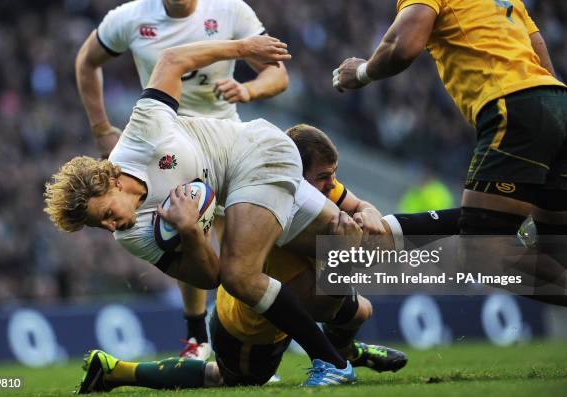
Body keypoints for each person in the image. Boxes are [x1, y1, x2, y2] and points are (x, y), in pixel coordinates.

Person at [46, 36, 383, 386]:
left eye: (106, 214)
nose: (111, 226)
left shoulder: (140, 135)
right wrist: (192, 233)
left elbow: (171, 60)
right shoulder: (131, 233)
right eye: (99, 226)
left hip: (258, 150)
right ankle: (344, 348)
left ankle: (334, 361)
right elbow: (208, 277)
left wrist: (243, 49)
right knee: (339, 247)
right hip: (240, 194)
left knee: (249, 273)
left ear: (112, 181)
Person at [77, 125, 407, 394]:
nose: (330, 187)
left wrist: (367, 210)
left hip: (286, 303)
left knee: (358, 309)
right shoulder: (265, 202)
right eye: (323, 179)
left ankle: (345, 353)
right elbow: (317, 299)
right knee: (230, 376)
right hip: (247, 325)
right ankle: (335, 360)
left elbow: (349, 204)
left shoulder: (296, 191)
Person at [75, 0, 289, 359]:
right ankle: (198, 337)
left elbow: (278, 74)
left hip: (225, 142)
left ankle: (276, 333)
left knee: (244, 253)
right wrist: (100, 129)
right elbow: (86, 61)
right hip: (165, 140)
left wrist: (249, 90)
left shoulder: (230, 10)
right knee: (179, 233)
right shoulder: (129, 18)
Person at [333, 0, 567, 298]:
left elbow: (404, 46)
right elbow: (540, 54)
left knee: (482, 255)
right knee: (556, 253)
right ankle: (394, 229)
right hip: (557, 103)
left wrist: (363, 72)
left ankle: (394, 229)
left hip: (511, 104)